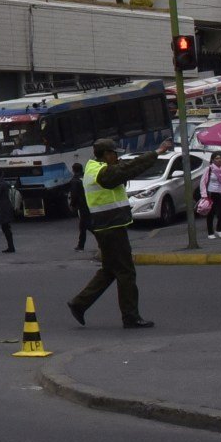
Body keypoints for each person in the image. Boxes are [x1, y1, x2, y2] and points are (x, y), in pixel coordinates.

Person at [68, 138, 160, 329]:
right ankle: (130, 317)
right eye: (114, 153)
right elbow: (126, 170)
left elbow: (124, 168)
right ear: (105, 154)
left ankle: (79, 303)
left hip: (106, 227)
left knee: (110, 270)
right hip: (110, 228)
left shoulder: (97, 167)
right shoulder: (100, 171)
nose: (116, 157)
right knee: (126, 271)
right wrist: (156, 153)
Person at [204, 149, 221, 241]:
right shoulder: (209, 169)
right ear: (212, 160)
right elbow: (203, 182)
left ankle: (218, 230)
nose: (219, 160)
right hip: (211, 193)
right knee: (211, 214)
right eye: (217, 158)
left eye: (220, 158)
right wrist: (204, 194)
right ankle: (210, 232)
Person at [71, 162, 91, 249]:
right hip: (91, 202)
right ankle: (80, 245)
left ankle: (81, 245)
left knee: (85, 225)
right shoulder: (86, 177)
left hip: (82, 204)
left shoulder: (74, 181)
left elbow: (74, 194)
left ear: (73, 170)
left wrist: (73, 205)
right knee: (84, 225)